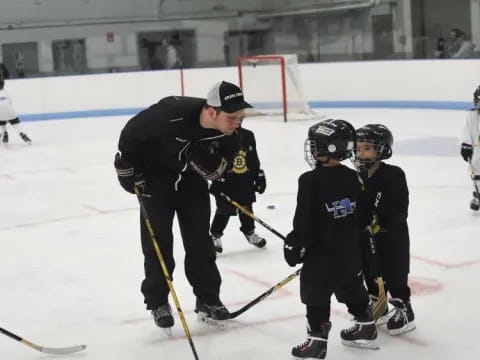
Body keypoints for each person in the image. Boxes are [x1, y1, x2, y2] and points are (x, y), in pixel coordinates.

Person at [114, 81, 252, 331]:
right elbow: (131, 133)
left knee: (201, 244)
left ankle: (208, 299)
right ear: (212, 112)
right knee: (158, 244)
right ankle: (158, 302)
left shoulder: (230, 133)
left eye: (240, 117)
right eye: (232, 117)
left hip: (191, 185)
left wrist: (221, 178)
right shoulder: (169, 114)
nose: (237, 123)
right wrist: (125, 165)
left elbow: (226, 161)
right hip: (154, 183)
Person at [284, 119, 378, 359]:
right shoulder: (353, 176)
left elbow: (304, 221)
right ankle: (366, 326)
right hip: (349, 252)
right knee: (352, 288)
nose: (313, 149)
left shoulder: (309, 180)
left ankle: (317, 340)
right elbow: (364, 213)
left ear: (330, 148)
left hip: (320, 255)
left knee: (315, 293)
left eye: (316, 145)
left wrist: (295, 243)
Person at [354, 124, 415, 336]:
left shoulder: (394, 175)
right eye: (358, 148)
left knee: (394, 272)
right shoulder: (355, 176)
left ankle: (404, 309)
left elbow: (400, 209)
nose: (361, 153)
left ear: (381, 150)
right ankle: (378, 305)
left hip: (391, 237)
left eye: (367, 148)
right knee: (370, 271)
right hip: (367, 237)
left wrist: (379, 218)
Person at [209, 124, 267, 253]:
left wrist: (259, 175)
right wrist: (216, 180)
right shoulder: (218, 135)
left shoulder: (248, 135)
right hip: (226, 180)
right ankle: (215, 236)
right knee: (224, 209)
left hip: (245, 179)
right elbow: (212, 160)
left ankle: (249, 232)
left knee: (247, 207)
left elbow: (253, 158)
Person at [460, 85, 480, 211]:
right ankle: (477, 195)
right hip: (478, 154)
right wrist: (466, 145)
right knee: (477, 171)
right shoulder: (472, 116)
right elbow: (466, 132)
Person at [0, 73, 31, 144]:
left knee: (1, 121)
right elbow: (10, 102)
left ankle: (4, 134)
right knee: (16, 124)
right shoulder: (6, 92)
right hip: (10, 112)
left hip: (0, 114)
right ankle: (23, 135)